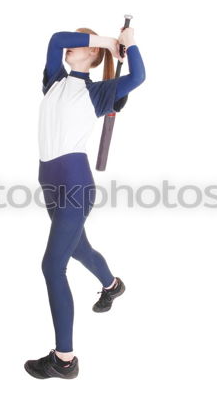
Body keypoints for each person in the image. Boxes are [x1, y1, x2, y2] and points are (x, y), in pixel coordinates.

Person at [24, 26, 146, 379]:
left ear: (92, 57)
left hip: (75, 185)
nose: (71, 47)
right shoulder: (55, 80)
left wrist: (129, 44)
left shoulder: (98, 93)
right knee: (79, 250)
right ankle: (113, 286)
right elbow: (55, 40)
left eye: (83, 44)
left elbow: (139, 75)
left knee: (52, 267)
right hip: (49, 182)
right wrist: (109, 42)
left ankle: (64, 360)